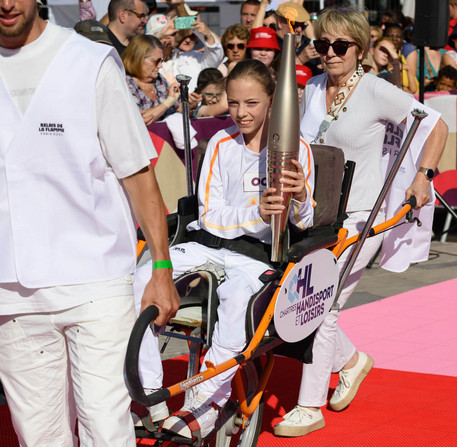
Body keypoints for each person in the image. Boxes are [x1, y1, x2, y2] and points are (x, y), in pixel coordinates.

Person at [0, 0, 181, 445]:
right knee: (40, 436)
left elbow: (138, 173)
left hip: (96, 278)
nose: (6, 4)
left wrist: (161, 268)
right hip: (11, 291)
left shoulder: (88, 60)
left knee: (105, 428)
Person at [274, 6, 448, 438]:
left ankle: (308, 407)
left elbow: (436, 124)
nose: (329, 53)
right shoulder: (311, 87)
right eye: (321, 45)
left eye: (339, 45)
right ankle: (352, 362)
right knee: (301, 301)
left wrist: (424, 176)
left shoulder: (374, 90)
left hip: (363, 215)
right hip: (315, 213)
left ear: (359, 48)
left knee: (320, 308)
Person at [133, 59, 315, 440]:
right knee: (141, 279)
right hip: (209, 244)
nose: (241, 113)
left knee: (236, 299)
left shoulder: (297, 148)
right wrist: (255, 211)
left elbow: (306, 222)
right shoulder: (220, 142)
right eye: (233, 103)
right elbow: (210, 216)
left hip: (257, 256)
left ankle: (206, 403)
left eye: (251, 103)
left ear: (271, 101)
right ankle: (152, 395)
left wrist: (299, 197)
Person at [122, 34, 180, 125]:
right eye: (156, 61)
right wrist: (168, 101)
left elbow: (177, 108)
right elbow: (141, 120)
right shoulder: (125, 83)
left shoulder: (159, 80)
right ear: (138, 58)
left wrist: (191, 104)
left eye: (162, 60)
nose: (160, 66)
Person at [384, 23, 418, 92]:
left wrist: (407, 68)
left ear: (402, 40)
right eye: (391, 36)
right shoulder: (382, 58)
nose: (394, 39)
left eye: (398, 36)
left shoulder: (402, 58)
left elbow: (414, 90)